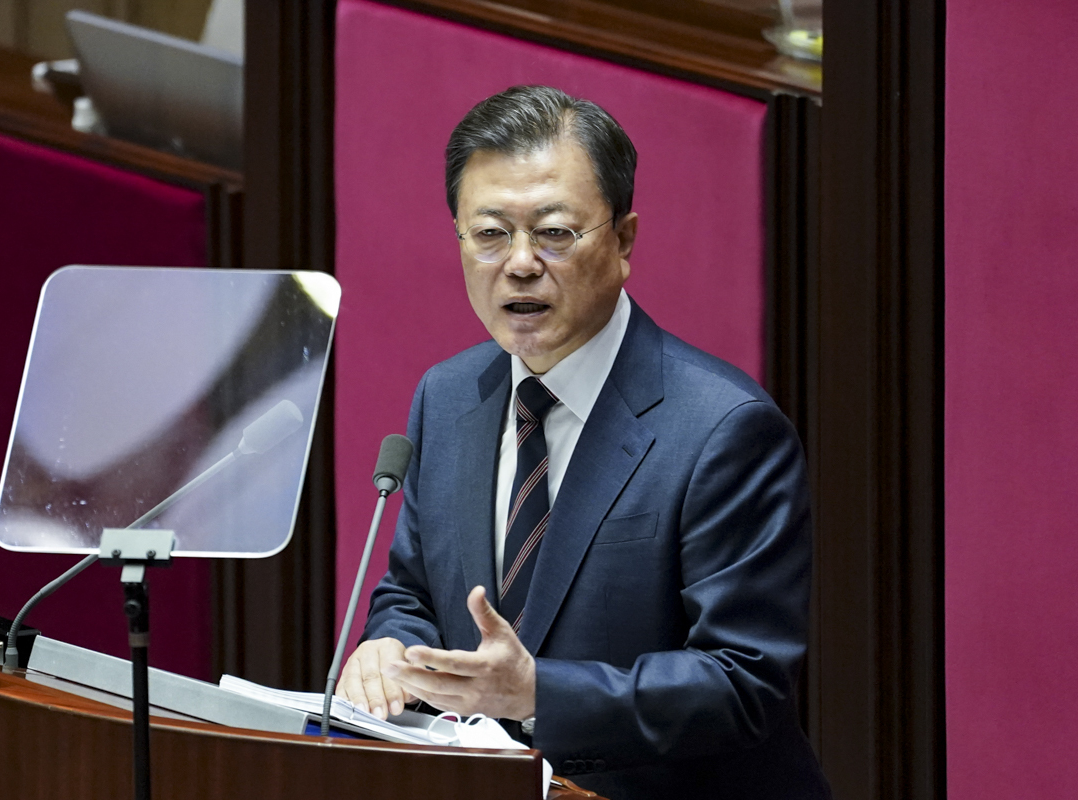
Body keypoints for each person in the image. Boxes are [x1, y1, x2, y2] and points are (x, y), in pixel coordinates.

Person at [337, 85, 831, 800]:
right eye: (490, 233)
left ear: (624, 241)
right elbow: (412, 590)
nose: (520, 262)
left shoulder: (723, 430)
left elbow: (742, 680)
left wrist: (537, 693)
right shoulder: (446, 399)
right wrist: (388, 648)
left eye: (556, 232)